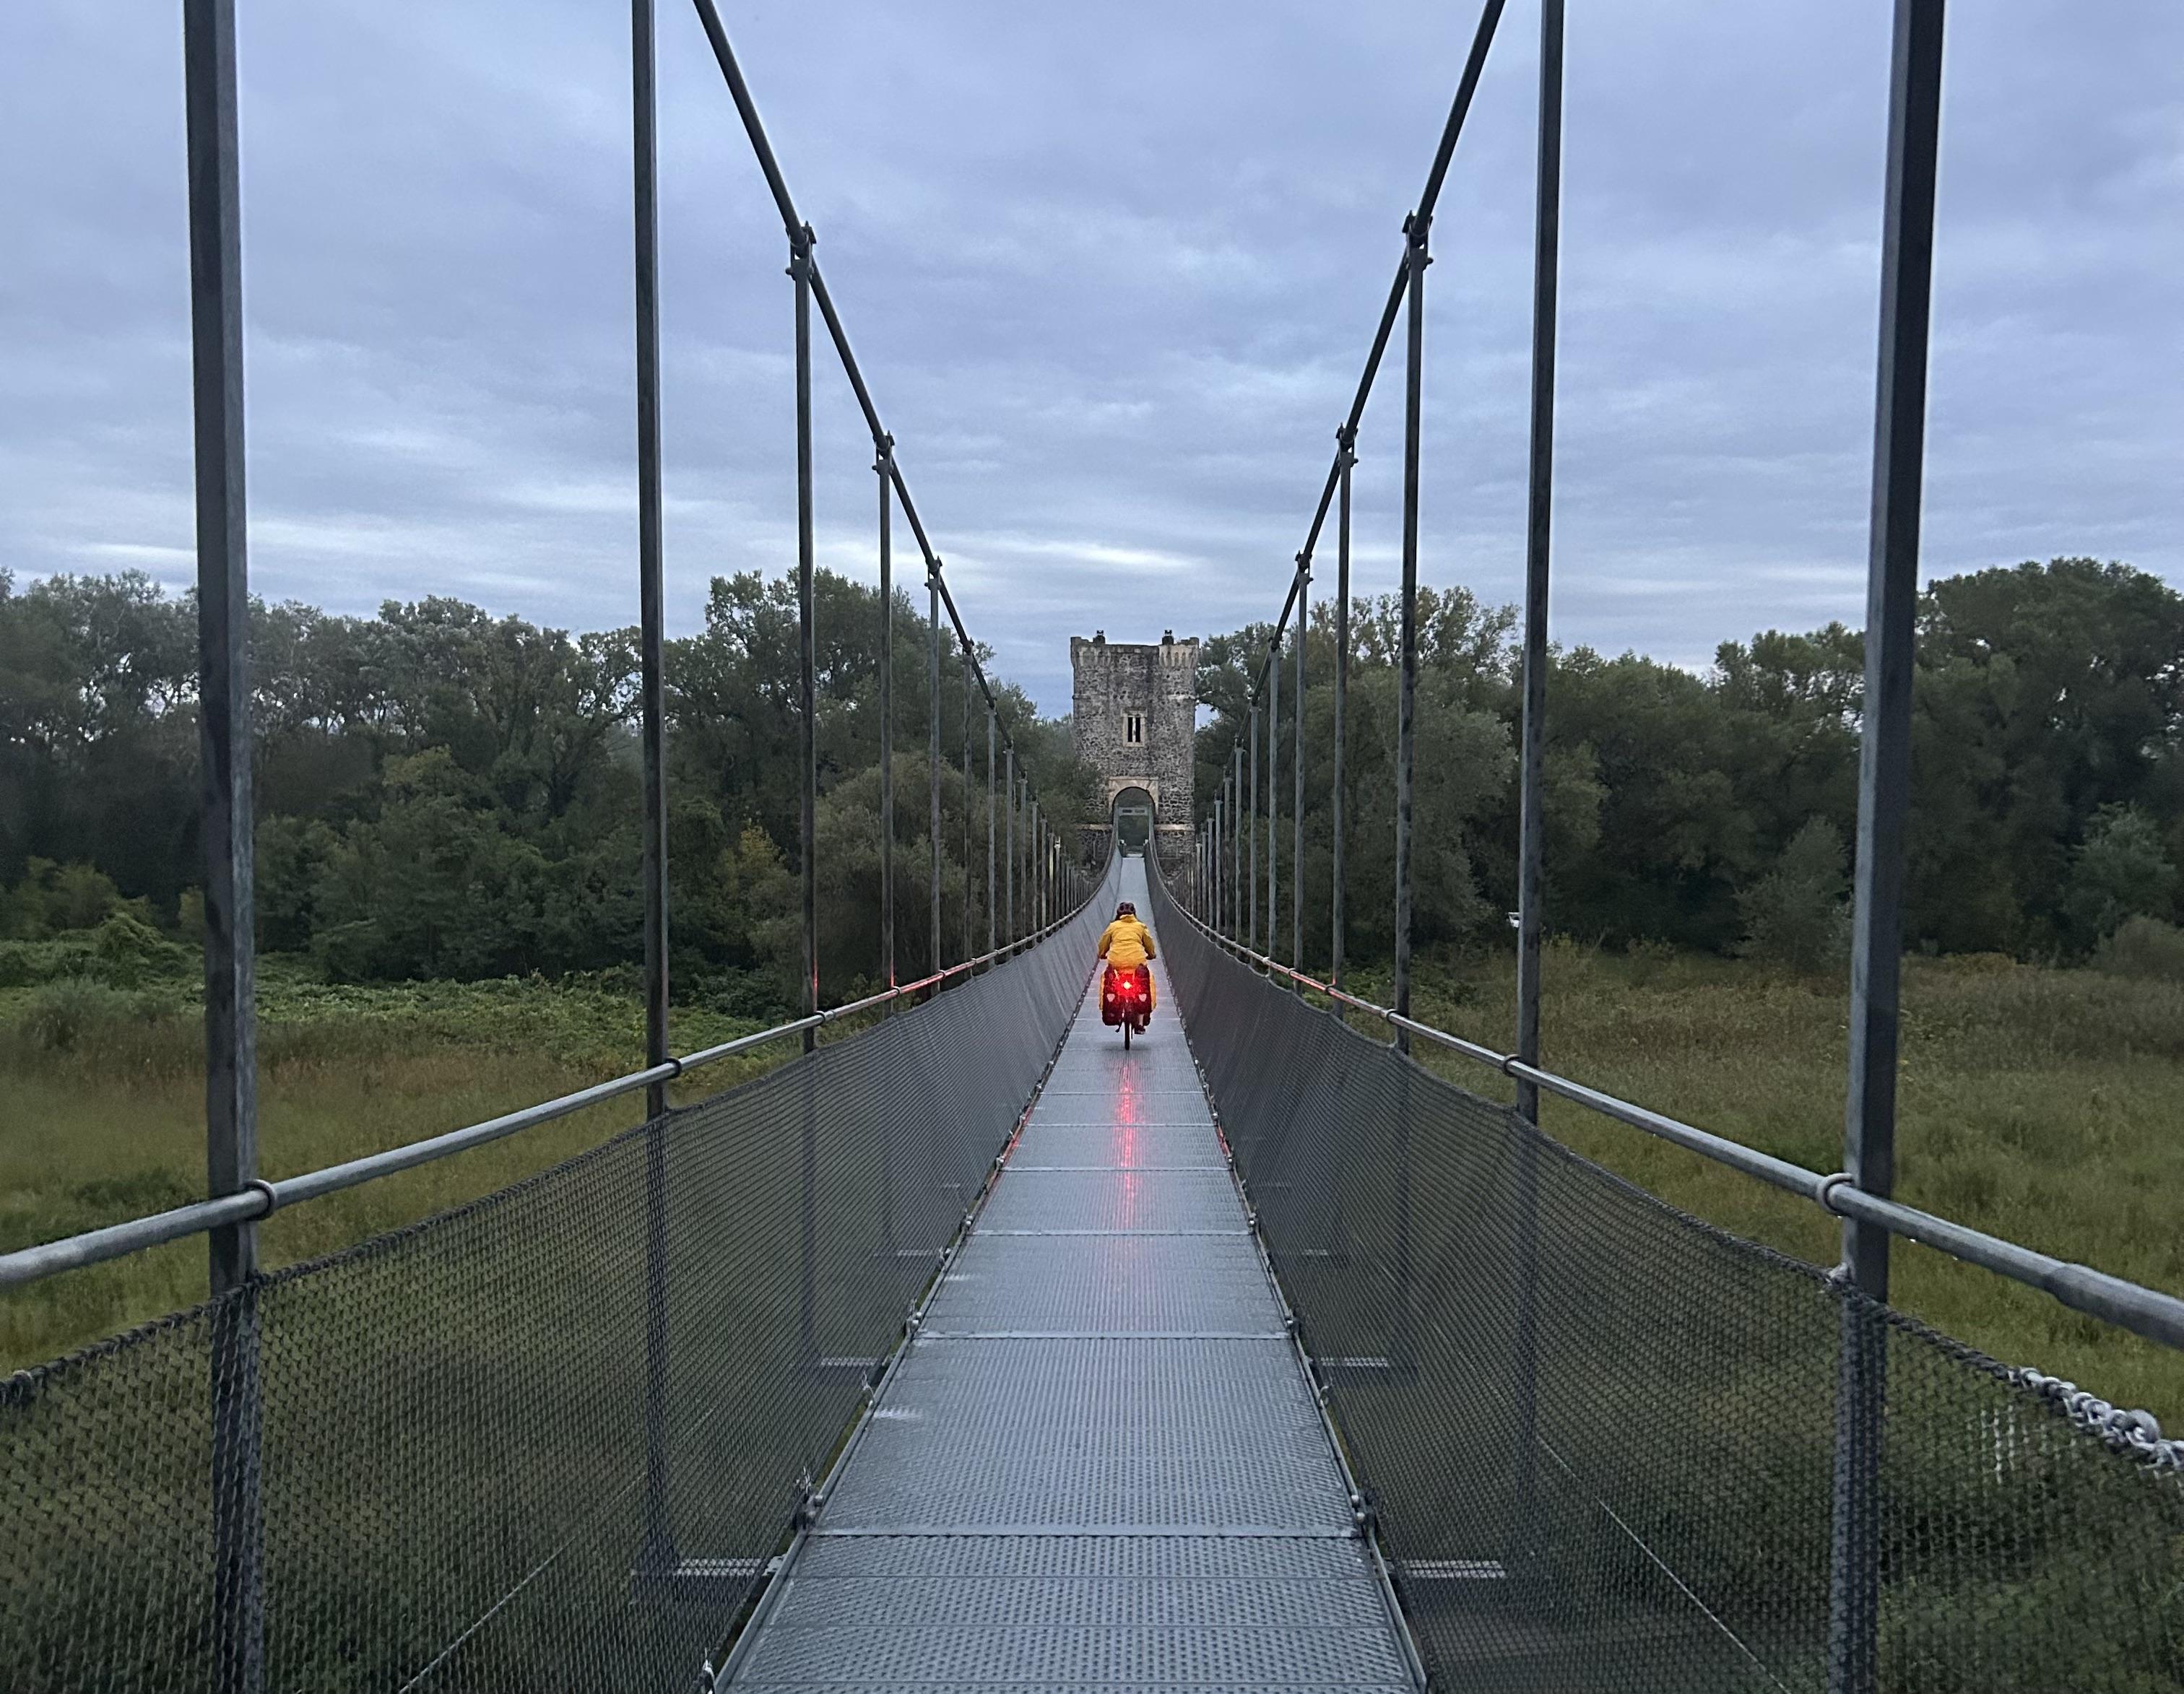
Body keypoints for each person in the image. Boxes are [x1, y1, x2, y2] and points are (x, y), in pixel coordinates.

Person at [1096, 900, 1157, 1012]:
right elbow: (1149, 943)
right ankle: (1140, 1021)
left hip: (1117, 963)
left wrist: (1102, 954)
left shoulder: (1113, 926)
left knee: (1108, 979)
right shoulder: (1140, 926)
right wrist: (1151, 954)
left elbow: (1103, 943)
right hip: (1136, 963)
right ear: (1134, 915)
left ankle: (1112, 1010)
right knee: (1146, 981)